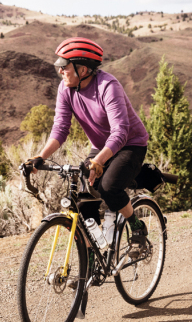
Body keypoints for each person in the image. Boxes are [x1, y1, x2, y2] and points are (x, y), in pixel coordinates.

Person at [24, 37, 150, 260]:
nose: (61, 71)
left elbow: (120, 132)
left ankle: (137, 227)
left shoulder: (107, 87)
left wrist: (99, 161)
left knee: (110, 187)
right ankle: (90, 259)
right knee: (81, 198)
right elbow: (60, 129)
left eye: (64, 66)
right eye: (59, 67)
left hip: (130, 144)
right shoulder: (66, 89)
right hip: (101, 146)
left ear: (82, 69)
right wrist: (40, 157)